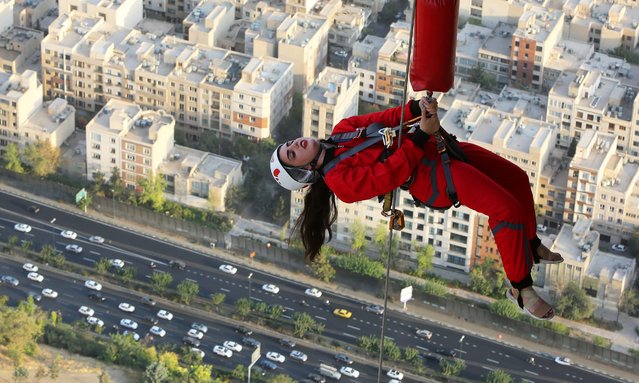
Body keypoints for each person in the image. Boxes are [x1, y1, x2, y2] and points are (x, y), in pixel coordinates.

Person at [270, 97, 563, 320]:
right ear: (305, 168)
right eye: (292, 153)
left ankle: (531, 243)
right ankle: (520, 288)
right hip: (429, 176)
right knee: (505, 209)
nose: (295, 143)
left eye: (289, 144)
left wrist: (415, 107)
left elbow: (383, 118)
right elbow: (390, 174)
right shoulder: (340, 183)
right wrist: (421, 134)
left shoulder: (342, 131)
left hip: (437, 145)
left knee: (517, 179)